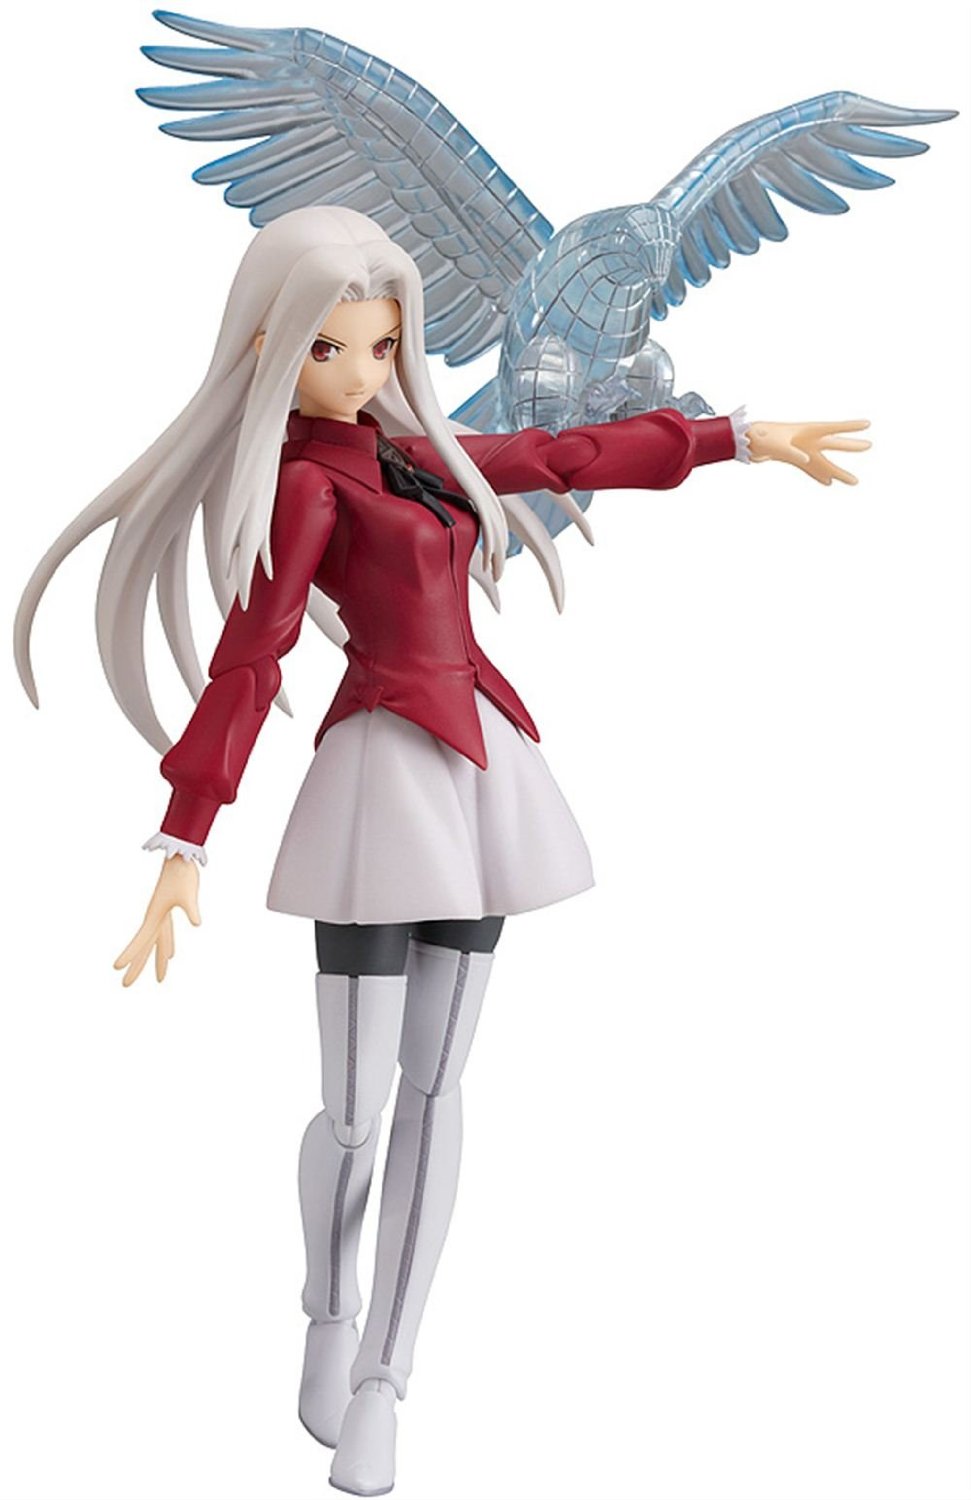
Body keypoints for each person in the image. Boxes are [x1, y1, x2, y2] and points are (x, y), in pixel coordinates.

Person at [14, 205, 869, 1497]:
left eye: (382, 344)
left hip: (482, 774)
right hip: (379, 778)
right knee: (356, 1108)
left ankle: (386, 1377)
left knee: (437, 1091)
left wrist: (734, 437)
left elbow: (563, 451)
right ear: (269, 347)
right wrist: (185, 835)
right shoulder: (302, 487)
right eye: (333, 349)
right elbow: (252, 659)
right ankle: (327, 1309)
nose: (366, 371)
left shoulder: (418, 455)